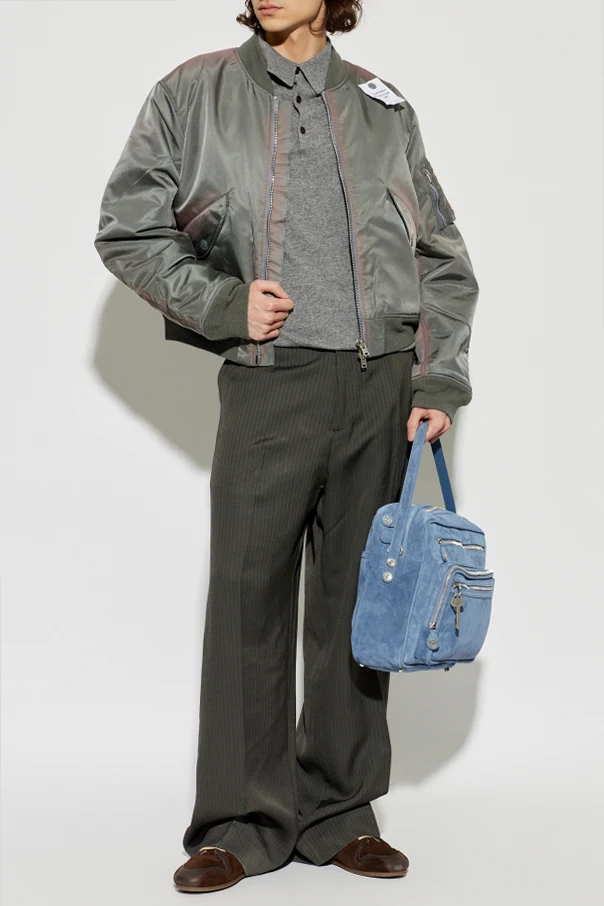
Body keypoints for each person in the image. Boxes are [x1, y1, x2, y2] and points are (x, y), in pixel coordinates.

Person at [94, 0, 479, 893]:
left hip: (380, 387)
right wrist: (225, 305)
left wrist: (436, 381)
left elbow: (441, 257)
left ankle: (340, 813)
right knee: (247, 596)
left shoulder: (383, 107)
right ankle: (239, 823)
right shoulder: (192, 94)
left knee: (359, 602)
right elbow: (127, 230)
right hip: (269, 382)